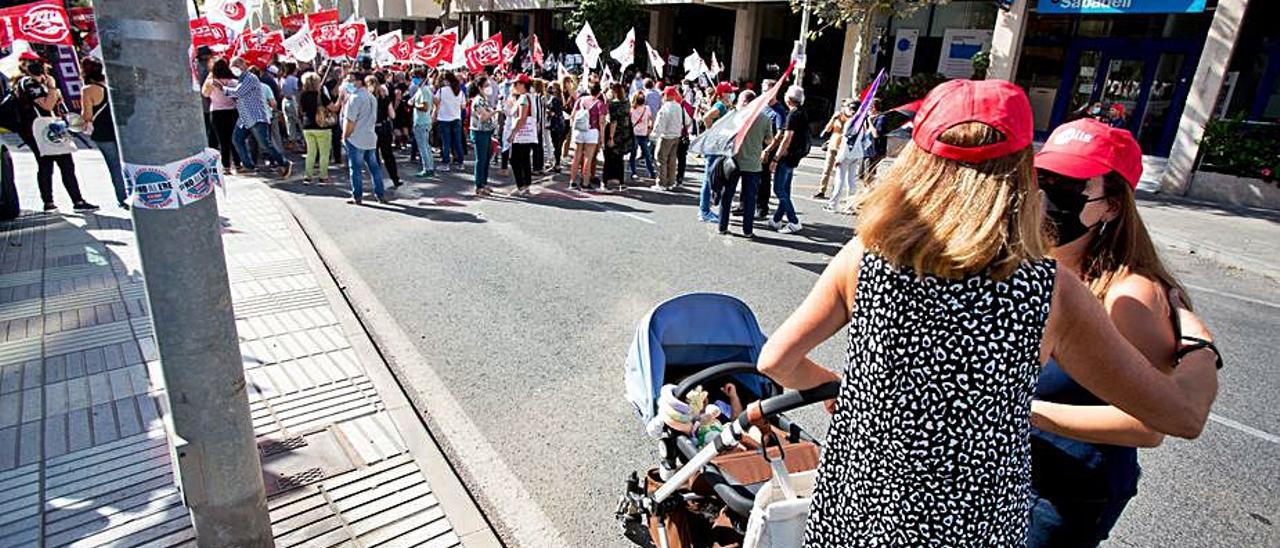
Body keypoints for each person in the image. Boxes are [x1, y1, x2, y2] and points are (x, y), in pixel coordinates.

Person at [754, 79, 1220, 545]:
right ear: (1021, 170)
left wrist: (850, 392)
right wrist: (1198, 344)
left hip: (852, 520)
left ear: (917, 163)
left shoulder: (865, 256)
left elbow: (777, 361)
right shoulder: (1049, 291)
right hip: (974, 531)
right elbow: (1180, 417)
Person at [1027, 118, 1218, 546]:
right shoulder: (1039, 271)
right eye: (1043, 178)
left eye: (1069, 185)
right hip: (1017, 474)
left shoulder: (1131, 295)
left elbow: (1149, 424)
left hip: (1062, 496)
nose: (1044, 195)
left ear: (1112, 205)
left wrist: (1022, 412)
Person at [15, 55, 96, 212]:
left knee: (65, 164)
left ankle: (76, 200)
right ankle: (52, 201)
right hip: (40, 130)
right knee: (48, 165)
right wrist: (52, 87)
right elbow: (47, 106)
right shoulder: (29, 84)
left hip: (53, 127)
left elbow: (58, 106)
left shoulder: (40, 83)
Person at [218, 58, 291, 178]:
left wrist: (223, 88)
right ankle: (248, 166)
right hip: (245, 117)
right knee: (237, 139)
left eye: (235, 65)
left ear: (242, 65)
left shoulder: (250, 78)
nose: (233, 68)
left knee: (265, 144)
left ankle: (284, 162)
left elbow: (238, 92)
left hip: (256, 117)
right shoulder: (241, 79)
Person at [718, 90, 771, 238]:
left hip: (732, 161)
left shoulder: (734, 116)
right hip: (753, 163)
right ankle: (747, 230)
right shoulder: (765, 118)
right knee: (750, 198)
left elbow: (723, 135)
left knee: (727, 195)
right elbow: (769, 140)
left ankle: (722, 226)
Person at [79, 57, 127, 209]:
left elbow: (87, 116)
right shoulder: (110, 84)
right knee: (125, 164)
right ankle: (132, 192)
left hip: (102, 133)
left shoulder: (88, 90)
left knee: (114, 167)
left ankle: (123, 198)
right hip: (119, 130)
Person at [767, 86, 808, 234]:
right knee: (785, 190)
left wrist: (776, 158)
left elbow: (787, 138)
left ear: (789, 99)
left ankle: (793, 220)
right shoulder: (802, 113)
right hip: (795, 156)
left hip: (787, 156)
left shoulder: (792, 115)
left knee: (778, 189)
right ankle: (777, 219)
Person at [342, 73, 386, 205]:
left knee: (355, 168)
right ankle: (380, 194)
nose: (348, 83)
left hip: (356, 138)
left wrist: (344, 136)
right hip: (370, 137)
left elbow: (350, 121)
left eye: (351, 80)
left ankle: (357, 196)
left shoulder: (354, 98)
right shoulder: (371, 97)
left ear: (360, 82)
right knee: (374, 168)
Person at [203, 58, 241, 174]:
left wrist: (209, 78)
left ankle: (226, 166)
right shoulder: (233, 82)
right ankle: (238, 164)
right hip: (232, 112)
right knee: (233, 139)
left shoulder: (211, 82)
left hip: (217, 113)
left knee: (223, 141)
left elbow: (205, 94)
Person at [299, 71, 336, 185]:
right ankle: (323, 176)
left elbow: (301, 111)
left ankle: (308, 176)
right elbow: (333, 108)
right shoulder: (320, 95)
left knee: (311, 152)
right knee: (324, 153)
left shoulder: (303, 95)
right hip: (321, 127)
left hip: (307, 126)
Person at [569, 82, 606, 190]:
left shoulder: (580, 100)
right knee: (588, 158)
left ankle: (572, 181)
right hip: (592, 131)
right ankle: (585, 183)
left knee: (576, 156)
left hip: (579, 130)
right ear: (599, 92)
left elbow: (572, 115)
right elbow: (602, 122)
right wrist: (602, 138)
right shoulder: (599, 103)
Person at [506, 74, 539, 196]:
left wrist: (513, 133)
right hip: (527, 133)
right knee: (524, 159)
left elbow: (522, 118)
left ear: (522, 85)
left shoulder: (524, 98)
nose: (514, 86)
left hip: (521, 134)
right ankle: (526, 186)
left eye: (516, 84)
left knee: (515, 159)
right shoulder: (530, 97)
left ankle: (521, 186)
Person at [650, 86, 688, 191]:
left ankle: (661, 183)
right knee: (672, 160)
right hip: (676, 136)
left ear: (666, 95)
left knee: (661, 159)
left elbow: (660, 123)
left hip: (666, 136)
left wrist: (654, 135)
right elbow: (687, 121)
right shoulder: (679, 106)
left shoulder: (665, 107)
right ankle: (671, 182)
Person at [814, 99, 853, 200]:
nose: (844, 108)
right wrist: (833, 119)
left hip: (842, 148)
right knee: (827, 169)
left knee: (838, 172)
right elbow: (827, 129)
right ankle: (821, 190)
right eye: (843, 105)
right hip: (832, 145)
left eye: (846, 106)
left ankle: (834, 192)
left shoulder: (852, 119)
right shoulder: (837, 116)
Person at [468, 76, 498, 196]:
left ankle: (484, 183)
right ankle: (479, 185)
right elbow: (483, 117)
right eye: (486, 86)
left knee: (486, 159)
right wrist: (496, 111)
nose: (488, 88)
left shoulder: (484, 99)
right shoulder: (478, 100)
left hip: (487, 132)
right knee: (481, 159)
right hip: (480, 132)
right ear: (479, 88)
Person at [370, 75, 401, 187]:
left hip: (371, 129)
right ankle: (395, 178)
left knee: (374, 156)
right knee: (388, 155)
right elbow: (392, 115)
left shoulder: (368, 99)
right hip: (384, 127)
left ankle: (377, 181)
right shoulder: (385, 97)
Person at [603, 83, 635, 191]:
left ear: (614, 92)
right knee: (620, 158)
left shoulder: (613, 104)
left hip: (615, 133)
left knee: (608, 158)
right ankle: (621, 182)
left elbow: (614, 122)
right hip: (624, 133)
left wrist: (611, 137)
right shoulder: (627, 103)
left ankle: (605, 181)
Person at [435, 71, 466, 171]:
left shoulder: (441, 91)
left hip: (444, 118)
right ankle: (460, 162)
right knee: (457, 142)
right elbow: (463, 106)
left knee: (446, 142)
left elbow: (436, 102)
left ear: (446, 80)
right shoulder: (459, 91)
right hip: (456, 118)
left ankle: (446, 163)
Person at [410, 70, 436, 178]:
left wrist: (414, 105)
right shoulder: (421, 90)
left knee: (423, 147)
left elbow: (424, 107)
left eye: (414, 77)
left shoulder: (424, 91)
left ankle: (427, 168)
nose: (413, 80)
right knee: (426, 146)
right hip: (422, 121)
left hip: (422, 122)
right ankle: (429, 167)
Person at [629, 91, 655, 182]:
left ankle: (634, 172)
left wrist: (649, 127)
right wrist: (649, 128)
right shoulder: (646, 108)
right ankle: (651, 173)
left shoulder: (632, 109)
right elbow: (651, 119)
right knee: (646, 154)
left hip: (636, 133)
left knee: (635, 154)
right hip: (641, 133)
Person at [280, 63, 303, 151]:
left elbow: (281, 92)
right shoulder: (294, 80)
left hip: (285, 101)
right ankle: (306, 143)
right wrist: (299, 105)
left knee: (289, 123)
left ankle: (292, 143)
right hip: (293, 101)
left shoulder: (282, 79)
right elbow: (297, 92)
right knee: (300, 122)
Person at [545, 82, 567, 173]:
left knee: (556, 145)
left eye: (552, 87)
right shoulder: (560, 98)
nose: (550, 89)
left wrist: (547, 111)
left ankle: (557, 164)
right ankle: (557, 164)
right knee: (558, 145)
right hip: (560, 124)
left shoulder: (554, 99)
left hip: (555, 124)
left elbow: (554, 112)